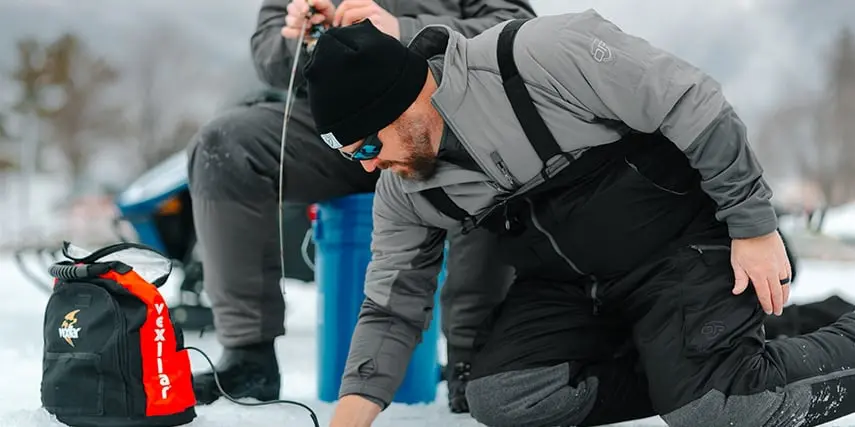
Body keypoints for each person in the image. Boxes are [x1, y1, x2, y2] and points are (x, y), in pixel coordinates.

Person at [303, 14, 855, 427]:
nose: (369, 164)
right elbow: (390, 309)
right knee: (504, 396)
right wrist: (350, 418)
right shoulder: (405, 190)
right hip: (575, 287)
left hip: (680, 247)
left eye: (367, 144)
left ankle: (719, 368)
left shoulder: (538, 57)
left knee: (726, 408)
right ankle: (695, 362)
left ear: (405, 100)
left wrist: (753, 227)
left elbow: (693, 103)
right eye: (353, 156)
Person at [185, 0, 536, 412]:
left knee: (486, 157)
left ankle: (473, 355)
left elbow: (513, 27)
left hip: (437, 116)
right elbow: (269, 57)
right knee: (224, 147)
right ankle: (249, 355)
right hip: (340, 135)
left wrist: (403, 30)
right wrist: (300, 39)